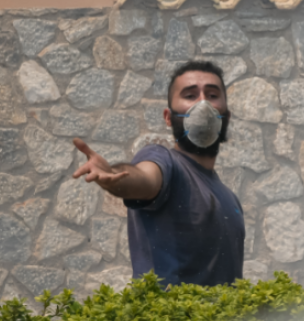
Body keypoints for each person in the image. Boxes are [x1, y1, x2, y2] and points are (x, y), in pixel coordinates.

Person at [72, 60, 245, 287]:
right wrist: (114, 175)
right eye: (190, 95)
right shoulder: (166, 162)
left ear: (227, 117)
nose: (203, 104)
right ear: (168, 116)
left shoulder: (229, 198)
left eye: (212, 95)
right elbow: (145, 179)